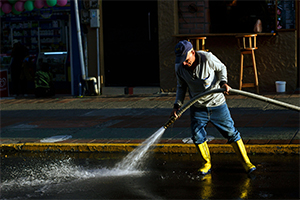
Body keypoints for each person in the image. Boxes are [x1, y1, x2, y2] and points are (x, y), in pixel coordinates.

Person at [171, 40, 256, 175]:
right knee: (197, 136)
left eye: (186, 60)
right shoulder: (179, 67)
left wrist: (223, 82)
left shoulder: (207, 58)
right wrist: (177, 105)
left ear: (193, 52)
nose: (184, 63)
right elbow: (181, 87)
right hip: (197, 106)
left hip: (217, 104)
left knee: (231, 133)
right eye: (181, 60)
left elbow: (222, 68)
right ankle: (206, 164)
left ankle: (247, 162)